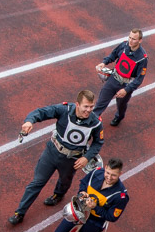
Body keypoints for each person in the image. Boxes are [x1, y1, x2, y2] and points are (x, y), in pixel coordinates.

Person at [9, 90, 105, 225]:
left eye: (91, 106)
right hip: (52, 152)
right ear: (77, 104)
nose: (89, 110)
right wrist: (30, 121)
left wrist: (87, 158)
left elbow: (98, 143)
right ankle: (20, 212)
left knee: (65, 181)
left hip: (72, 159)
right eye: (86, 106)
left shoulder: (95, 123)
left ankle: (58, 195)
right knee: (37, 182)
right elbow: (41, 112)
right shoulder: (64, 110)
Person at [37, 158, 129, 232]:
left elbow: (112, 217)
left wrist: (95, 207)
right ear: (105, 168)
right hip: (79, 210)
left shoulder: (121, 196)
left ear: (120, 174)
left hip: (94, 222)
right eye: (108, 173)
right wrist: (82, 193)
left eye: (114, 175)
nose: (109, 177)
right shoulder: (96, 172)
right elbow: (84, 183)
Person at [95, 29, 148, 126]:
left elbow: (139, 79)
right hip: (113, 79)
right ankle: (91, 123)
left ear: (140, 40)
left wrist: (126, 90)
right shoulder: (124, 45)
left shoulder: (142, 58)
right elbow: (113, 54)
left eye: (134, 39)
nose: (131, 41)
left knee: (121, 105)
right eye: (130, 38)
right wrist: (104, 62)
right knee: (100, 103)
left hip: (125, 85)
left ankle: (119, 117)